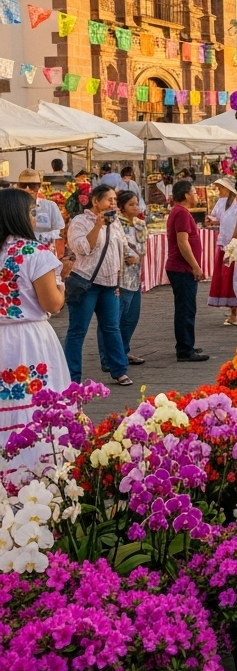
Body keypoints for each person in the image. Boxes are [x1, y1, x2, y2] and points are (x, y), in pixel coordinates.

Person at [0, 188, 72, 479]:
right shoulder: (33, 252)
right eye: (31, 212)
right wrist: (63, 279)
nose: (35, 218)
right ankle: (35, 472)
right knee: (34, 403)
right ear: (17, 215)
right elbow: (53, 303)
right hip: (29, 338)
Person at [63, 183, 133, 386]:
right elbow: (83, 248)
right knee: (78, 330)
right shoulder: (80, 222)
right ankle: (72, 376)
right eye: (109, 199)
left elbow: (121, 245)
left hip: (110, 284)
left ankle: (119, 370)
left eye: (114, 200)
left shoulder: (115, 221)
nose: (114, 203)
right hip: (86, 283)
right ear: (95, 201)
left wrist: (128, 258)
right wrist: (98, 225)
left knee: (112, 328)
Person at [97, 190, 147, 370]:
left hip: (135, 276)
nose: (135, 207)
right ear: (122, 207)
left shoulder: (141, 224)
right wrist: (128, 255)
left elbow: (143, 247)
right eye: (131, 204)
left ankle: (122, 352)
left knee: (130, 318)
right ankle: (107, 358)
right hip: (119, 278)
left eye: (136, 203)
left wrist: (138, 257)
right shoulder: (115, 223)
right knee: (112, 321)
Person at [166, 180, 209, 363]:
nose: (196, 195)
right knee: (186, 309)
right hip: (181, 268)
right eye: (194, 192)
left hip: (182, 268)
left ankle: (186, 343)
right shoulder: (181, 213)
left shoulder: (181, 212)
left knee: (186, 308)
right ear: (186, 195)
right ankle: (185, 349)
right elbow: (183, 242)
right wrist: (195, 266)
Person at [207, 178, 237, 325]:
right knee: (227, 278)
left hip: (236, 246)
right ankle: (234, 312)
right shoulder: (221, 203)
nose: (218, 191)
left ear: (228, 189)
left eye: (220, 188)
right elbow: (217, 218)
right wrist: (212, 221)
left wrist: (234, 243)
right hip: (225, 245)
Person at [16, 170, 64, 249]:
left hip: (46, 251)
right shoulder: (13, 208)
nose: (27, 189)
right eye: (24, 185)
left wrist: (39, 237)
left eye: (32, 185)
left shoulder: (50, 206)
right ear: (18, 186)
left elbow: (60, 231)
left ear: (39, 186)